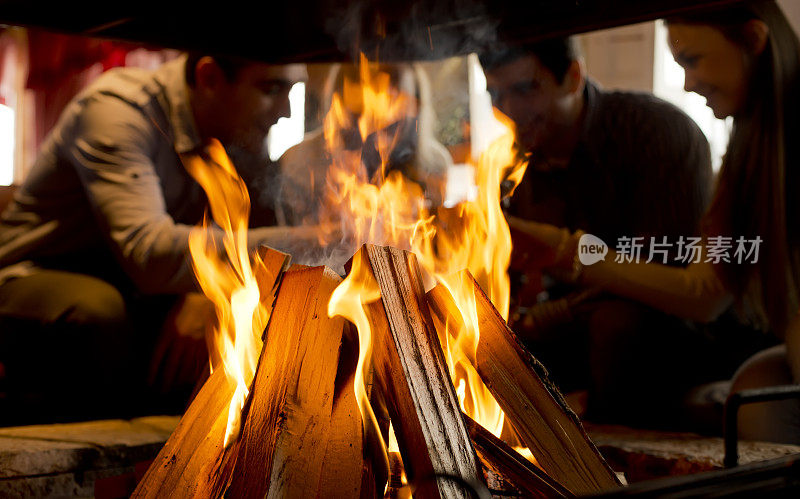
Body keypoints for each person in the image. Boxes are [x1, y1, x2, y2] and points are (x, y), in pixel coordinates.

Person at [509, 0, 800, 444]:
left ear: (755, 41)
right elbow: (707, 286)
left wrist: (568, 250)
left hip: (702, 335)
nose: (686, 82)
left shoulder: (659, 132)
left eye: (693, 59)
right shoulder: (747, 152)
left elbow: (700, 295)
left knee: (619, 327)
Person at [0, 52, 318, 422]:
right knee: (97, 313)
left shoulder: (235, 131)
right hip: (29, 273)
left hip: (133, 285)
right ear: (210, 77)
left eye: (291, 90)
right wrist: (315, 241)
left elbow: (230, 241)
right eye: (271, 89)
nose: (285, 112)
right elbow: (148, 253)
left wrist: (204, 293)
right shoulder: (118, 111)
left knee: (244, 320)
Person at [480, 37, 721, 427]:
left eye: (525, 89)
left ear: (572, 77)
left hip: (666, 330)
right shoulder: (514, 162)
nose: (508, 110)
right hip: (570, 332)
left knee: (617, 322)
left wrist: (543, 310)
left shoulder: (654, 133)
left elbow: (656, 278)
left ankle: (606, 476)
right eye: (496, 93)